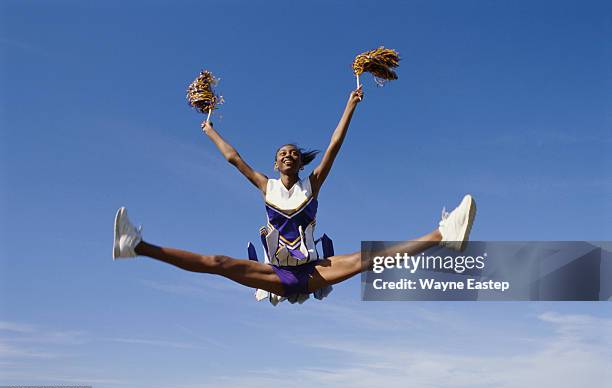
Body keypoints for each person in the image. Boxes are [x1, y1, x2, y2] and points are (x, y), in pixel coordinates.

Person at [112, 85, 476, 302]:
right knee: (219, 264)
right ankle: (136, 246)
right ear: (275, 163)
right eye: (281, 152)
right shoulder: (265, 185)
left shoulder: (311, 184)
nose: (288, 154)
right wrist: (209, 130)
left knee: (369, 257)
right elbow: (233, 159)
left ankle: (445, 234)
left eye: (293, 153)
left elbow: (333, 146)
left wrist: (350, 106)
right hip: (278, 274)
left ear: (299, 163)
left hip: (313, 270)